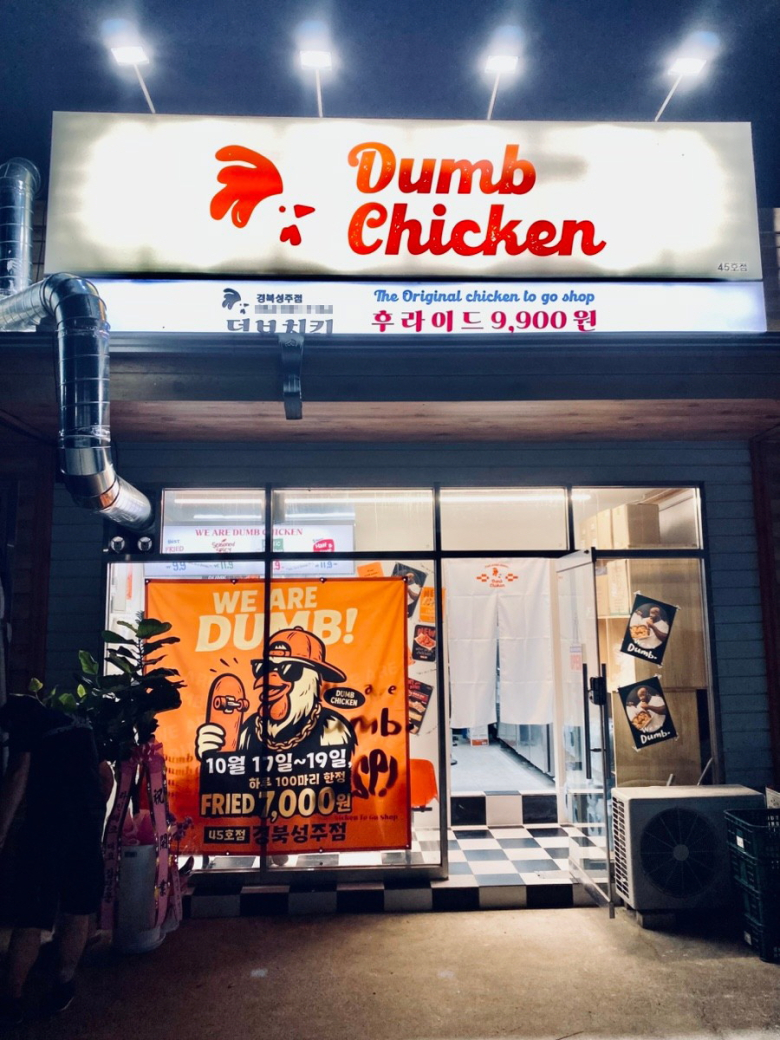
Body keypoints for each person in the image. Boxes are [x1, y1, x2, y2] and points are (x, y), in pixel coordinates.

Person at [0, 695, 106, 1023]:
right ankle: (63, 984)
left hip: (47, 829)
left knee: (31, 916)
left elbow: (17, 776)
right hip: (86, 828)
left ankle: (11, 1000)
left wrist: (0, 833)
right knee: (77, 910)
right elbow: (106, 776)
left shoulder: (27, 723)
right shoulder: (81, 725)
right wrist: (92, 822)